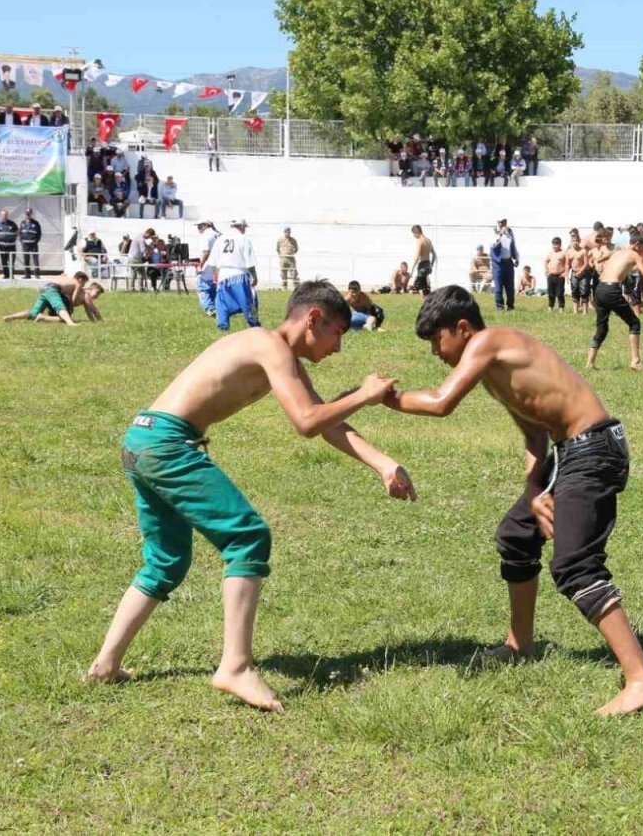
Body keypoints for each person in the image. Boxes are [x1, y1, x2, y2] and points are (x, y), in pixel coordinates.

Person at [85, 282, 414, 711]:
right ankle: (235, 667)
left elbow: (323, 422)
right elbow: (307, 421)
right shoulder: (269, 345)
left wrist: (383, 464)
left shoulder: (275, 351)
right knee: (248, 536)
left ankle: (105, 664)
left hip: (142, 439)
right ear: (313, 318)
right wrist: (362, 395)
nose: (338, 347)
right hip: (167, 445)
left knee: (166, 560)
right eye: (338, 333)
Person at [383, 287, 643, 715]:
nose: (434, 352)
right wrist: (535, 491)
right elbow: (535, 432)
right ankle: (520, 645)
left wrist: (385, 399)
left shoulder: (489, 342)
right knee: (517, 535)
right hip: (571, 451)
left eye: (436, 341)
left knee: (575, 566)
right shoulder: (492, 370)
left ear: (462, 329)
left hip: (593, 450)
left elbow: (442, 403)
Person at [587, 231, 643, 371]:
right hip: (612, 290)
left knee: (602, 328)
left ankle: (590, 363)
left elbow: (606, 259)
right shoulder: (634, 254)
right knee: (634, 323)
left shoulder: (617, 252)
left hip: (600, 289)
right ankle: (636, 361)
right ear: (637, 245)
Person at [2, 272, 104, 325]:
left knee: (33, 313)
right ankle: (69, 323)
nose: (97, 296)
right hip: (53, 290)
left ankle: (10, 317)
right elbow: (93, 310)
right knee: (62, 311)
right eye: (97, 292)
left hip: (46, 289)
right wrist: (101, 321)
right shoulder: (83, 289)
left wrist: (93, 322)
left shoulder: (73, 283)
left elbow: (88, 310)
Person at [214, 218, 260, 331]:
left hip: (223, 275)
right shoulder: (244, 239)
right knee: (248, 302)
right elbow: (249, 261)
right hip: (239, 274)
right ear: (242, 226)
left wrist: (216, 275)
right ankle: (255, 326)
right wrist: (254, 276)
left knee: (222, 303)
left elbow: (215, 260)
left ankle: (222, 326)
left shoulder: (220, 239)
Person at [490, 219, 518, 311]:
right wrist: (500, 234)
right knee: (498, 287)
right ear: (498, 222)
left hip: (509, 262)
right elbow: (493, 245)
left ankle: (510, 306)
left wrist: (516, 258)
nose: (503, 224)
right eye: (501, 222)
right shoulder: (493, 232)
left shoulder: (509, 232)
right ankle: (500, 307)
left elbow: (513, 245)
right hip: (498, 263)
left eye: (504, 221)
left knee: (510, 286)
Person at [195, 221, 220, 317]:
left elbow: (206, 251)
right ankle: (216, 307)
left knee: (202, 288)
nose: (198, 229)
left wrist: (200, 265)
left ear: (205, 226)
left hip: (208, 265)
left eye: (199, 226)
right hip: (218, 266)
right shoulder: (218, 234)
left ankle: (210, 308)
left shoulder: (206, 235)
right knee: (214, 288)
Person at [126, 228, 155, 293]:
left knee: (133, 273)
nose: (149, 238)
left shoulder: (139, 236)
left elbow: (144, 246)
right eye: (150, 236)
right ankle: (140, 288)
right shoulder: (141, 239)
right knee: (141, 273)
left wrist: (149, 247)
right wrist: (149, 252)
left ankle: (131, 288)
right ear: (149, 234)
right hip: (136, 258)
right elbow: (143, 250)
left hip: (131, 257)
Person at [410, 225, 436, 295]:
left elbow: (417, 256)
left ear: (416, 231)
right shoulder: (428, 240)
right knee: (425, 289)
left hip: (422, 266)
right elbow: (434, 255)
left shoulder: (420, 241)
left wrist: (411, 270)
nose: (413, 236)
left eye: (413, 233)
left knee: (415, 289)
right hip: (428, 265)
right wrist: (431, 265)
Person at [0, 210, 19, 279]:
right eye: (2, 215)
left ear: (7, 215)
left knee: (11, 261)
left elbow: (17, 232)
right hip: (2, 246)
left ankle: (11, 275)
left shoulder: (12, 224)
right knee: (4, 261)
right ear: (1, 215)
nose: (4, 216)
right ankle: (6, 275)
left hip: (11, 246)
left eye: (5, 215)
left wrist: (12, 239)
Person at [544, 237, 567, 312]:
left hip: (560, 276)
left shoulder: (564, 252)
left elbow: (567, 264)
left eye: (556, 244)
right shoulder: (551, 253)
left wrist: (565, 273)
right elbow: (546, 261)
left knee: (560, 293)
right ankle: (550, 307)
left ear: (560, 244)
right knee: (550, 293)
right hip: (551, 275)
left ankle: (561, 308)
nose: (555, 246)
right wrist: (546, 270)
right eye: (554, 244)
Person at [19, 209, 42, 279]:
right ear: (25, 214)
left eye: (29, 213)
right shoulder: (22, 223)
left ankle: (37, 274)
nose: (28, 215)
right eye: (27, 214)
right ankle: (27, 274)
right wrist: (22, 240)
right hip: (25, 244)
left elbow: (39, 233)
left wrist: (36, 241)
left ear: (31, 214)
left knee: (35, 259)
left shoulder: (36, 223)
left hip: (33, 244)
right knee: (26, 259)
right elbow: (20, 233)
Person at [276, 227, 299, 291]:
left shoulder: (293, 240)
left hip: (291, 258)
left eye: (288, 232)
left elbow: (296, 249)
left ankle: (296, 287)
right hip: (283, 258)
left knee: (294, 273)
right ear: (284, 232)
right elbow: (277, 249)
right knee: (283, 273)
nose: (287, 233)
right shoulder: (280, 240)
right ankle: (284, 287)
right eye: (286, 232)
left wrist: (292, 253)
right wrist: (281, 256)